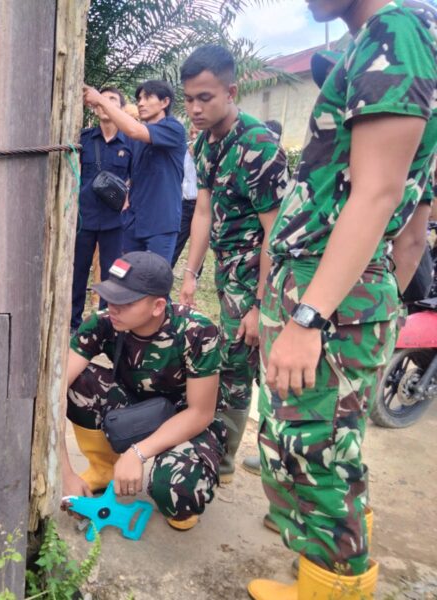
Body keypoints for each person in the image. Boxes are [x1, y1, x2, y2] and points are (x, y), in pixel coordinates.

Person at [248, 0, 436, 596]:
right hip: (328, 292)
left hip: (325, 297)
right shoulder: (370, 41)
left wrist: (311, 317)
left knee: (320, 457)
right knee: (311, 448)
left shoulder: (396, 31)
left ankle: (335, 582)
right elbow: (414, 223)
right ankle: (321, 572)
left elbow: (379, 193)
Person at [178, 45, 289, 485]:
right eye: (188, 98)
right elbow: (202, 212)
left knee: (274, 372)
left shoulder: (258, 146)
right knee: (234, 367)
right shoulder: (204, 143)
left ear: (231, 91)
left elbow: (276, 234)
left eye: (205, 97)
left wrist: (261, 305)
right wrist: (190, 275)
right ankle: (224, 460)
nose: (195, 108)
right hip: (230, 280)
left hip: (268, 283)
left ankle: (284, 468)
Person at [61, 251, 224, 531]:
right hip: (134, 409)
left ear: (158, 305)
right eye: (110, 296)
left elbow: (201, 413)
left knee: (176, 495)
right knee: (79, 382)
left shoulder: (197, 332)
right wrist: (64, 472)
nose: (113, 307)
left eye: (124, 301)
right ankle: (103, 468)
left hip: (184, 420)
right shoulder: (102, 323)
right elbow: (53, 392)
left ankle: (173, 478)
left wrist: (137, 453)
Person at [83, 81, 187, 266]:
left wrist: (100, 99)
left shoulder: (173, 129)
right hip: (133, 223)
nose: (140, 103)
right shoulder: (136, 142)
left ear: (164, 102)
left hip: (161, 224)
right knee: (124, 279)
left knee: (153, 282)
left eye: (147, 97)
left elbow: (134, 129)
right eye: (139, 98)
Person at [72, 87, 132, 332]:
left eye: (112, 100)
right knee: (77, 272)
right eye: (102, 99)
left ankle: (106, 324)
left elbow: (136, 176)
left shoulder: (130, 143)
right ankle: (72, 324)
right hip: (83, 219)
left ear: (120, 108)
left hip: (114, 222)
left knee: (112, 275)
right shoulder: (83, 139)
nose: (106, 103)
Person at [170, 129, 201, 268]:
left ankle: (195, 274)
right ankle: (166, 269)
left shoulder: (210, 153)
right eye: (192, 132)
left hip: (201, 206)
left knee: (198, 243)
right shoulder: (183, 151)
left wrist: (199, 156)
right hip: (184, 203)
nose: (194, 136)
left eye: (197, 133)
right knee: (176, 241)